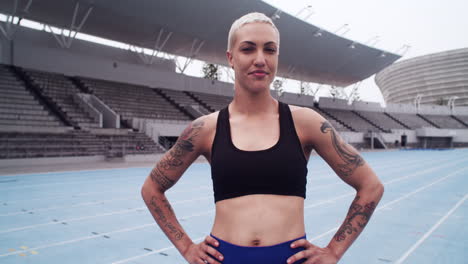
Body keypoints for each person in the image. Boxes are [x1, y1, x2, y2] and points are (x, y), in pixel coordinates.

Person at [141, 12, 384, 264]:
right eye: (248, 49)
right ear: (231, 58)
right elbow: (152, 188)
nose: (260, 59)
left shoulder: (306, 123)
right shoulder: (205, 129)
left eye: (270, 50)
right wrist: (187, 247)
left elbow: (371, 186)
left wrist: (334, 251)